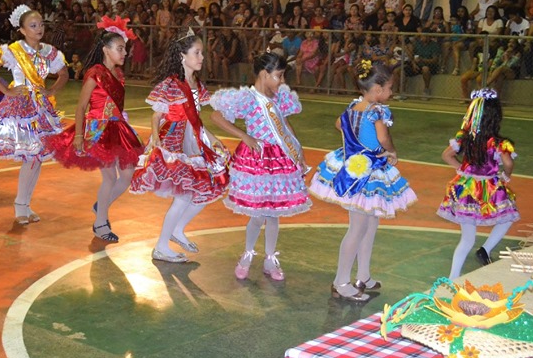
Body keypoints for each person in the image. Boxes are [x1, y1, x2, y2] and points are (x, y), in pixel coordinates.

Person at [308, 60, 417, 301]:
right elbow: (383, 137)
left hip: (355, 166)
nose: (391, 92)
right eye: (389, 88)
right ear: (377, 90)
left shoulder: (354, 106)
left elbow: (339, 124)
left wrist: (353, 141)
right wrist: (392, 151)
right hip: (367, 172)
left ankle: (363, 275)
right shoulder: (377, 111)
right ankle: (341, 281)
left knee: (370, 223)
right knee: (357, 228)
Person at [130, 30, 231, 263]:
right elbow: (156, 116)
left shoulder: (197, 83)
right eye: (197, 53)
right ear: (182, 56)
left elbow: (196, 119)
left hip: (195, 138)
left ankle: (177, 230)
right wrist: (155, 137)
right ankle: (162, 246)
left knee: (207, 189)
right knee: (185, 195)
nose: (202, 57)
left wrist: (211, 137)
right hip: (175, 140)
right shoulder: (171, 85)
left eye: (202, 53)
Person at [210, 53, 311, 281]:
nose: (282, 81)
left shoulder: (277, 98)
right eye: (279, 76)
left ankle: (270, 258)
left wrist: (299, 151)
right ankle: (247, 253)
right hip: (257, 158)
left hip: (279, 158)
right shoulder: (248, 98)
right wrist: (244, 136)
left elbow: (284, 125)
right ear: (264, 74)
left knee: (273, 213)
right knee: (257, 213)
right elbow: (216, 116)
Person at [48, 17, 144, 243]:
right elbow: (81, 106)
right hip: (98, 129)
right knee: (110, 177)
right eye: (120, 49)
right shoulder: (94, 73)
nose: (125, 53)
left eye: (125, 49)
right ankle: (101, 223)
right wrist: (79, 136)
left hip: (117, 128)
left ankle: (101, 206)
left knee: (128, 174)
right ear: (106, 50)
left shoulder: (119, 75)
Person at [0, 4, 69, 225]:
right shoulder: (13, 50)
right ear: (22, 29)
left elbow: (64, 73)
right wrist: (6, 90)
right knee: (31, 157)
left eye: (40, 24)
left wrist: (51, 90)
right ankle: (20, 205)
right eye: (33, 25)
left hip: (41, 108)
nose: (38, 28)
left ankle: (25, 205)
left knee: (37, 158)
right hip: (21, 109)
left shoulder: (49, 51)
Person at [438, 88, 518, 278]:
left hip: (466, 188)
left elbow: (446, 155)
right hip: (489, 187)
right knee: (508, 217)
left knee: (467, 239)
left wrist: (462, 169)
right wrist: (506, 176)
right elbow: (508, 162)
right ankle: (485, 249)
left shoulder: (465, 138)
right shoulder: (498, 143)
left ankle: (453, 277)